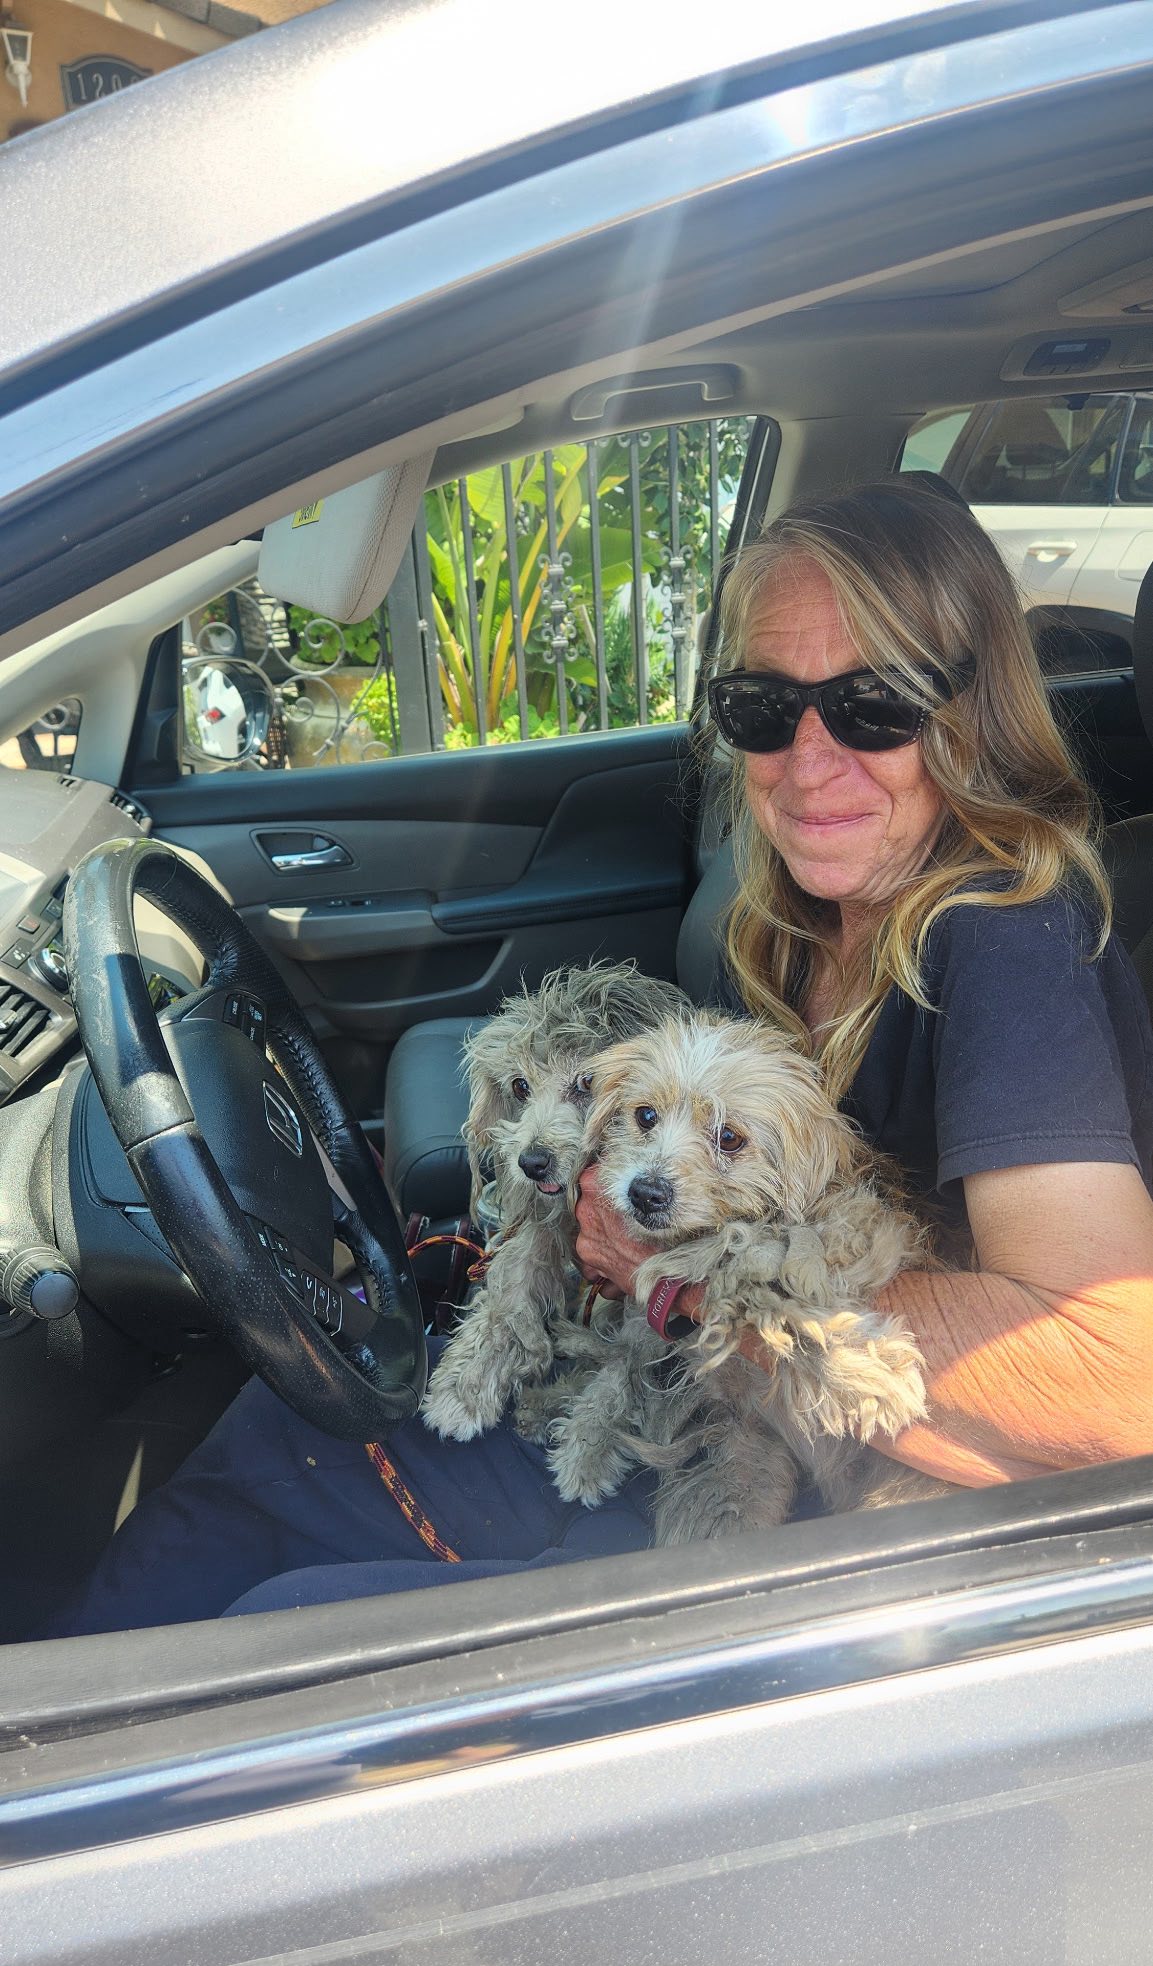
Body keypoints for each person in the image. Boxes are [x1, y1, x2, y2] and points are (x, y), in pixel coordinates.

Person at [53, 477, 1153, 1634]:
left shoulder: (1001, 938)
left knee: (280, 1611)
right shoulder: (791, 921)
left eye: (873, 704)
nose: (808, 759)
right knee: (272, 1447)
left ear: (968, 710)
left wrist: (677, 1280)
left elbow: (1112, 1372)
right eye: (760, 706)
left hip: (851, 1527)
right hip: (706, 1413)